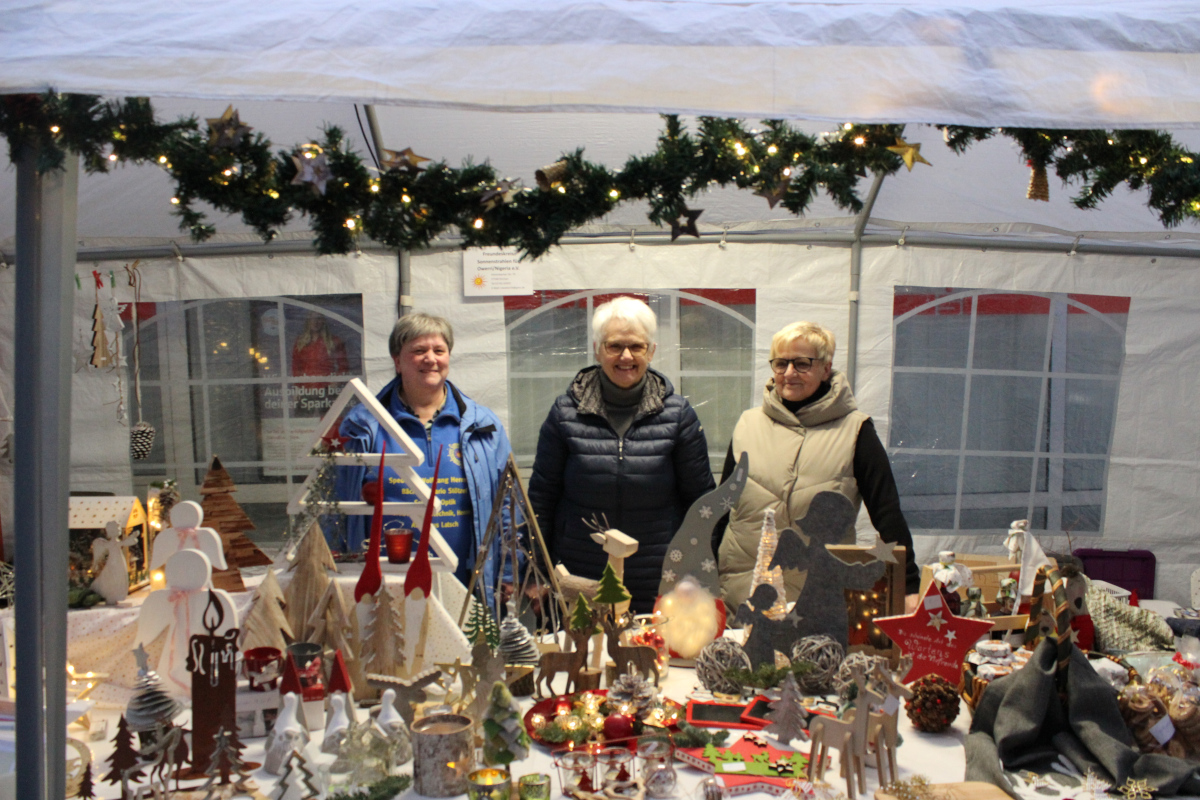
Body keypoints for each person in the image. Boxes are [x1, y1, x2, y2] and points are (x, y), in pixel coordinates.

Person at [715, 320, 920, 612]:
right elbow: (721, 508)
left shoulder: (856, 431)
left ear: (825, 368)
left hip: (818, 601)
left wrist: (908, 584)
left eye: (801, 364)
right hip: (742, 596)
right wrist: (704, 573)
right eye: (780, 363)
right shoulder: (748, 425)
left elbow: (887, 512)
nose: (788, 373)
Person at [529, 296, 715, 614]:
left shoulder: (678, 415)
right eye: (614, 346)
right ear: (597, 349)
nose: (626, 356)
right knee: (583, 662)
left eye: (637, 347)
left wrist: (698, 573)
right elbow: (540, 501)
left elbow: (701, 505)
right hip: (579, 578)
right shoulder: (564, 413)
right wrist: (537, 573)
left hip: (660, 581)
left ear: (651, 351)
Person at [335, 313, 512, 591]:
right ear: (397, 361)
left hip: (467, 583)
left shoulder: (484, 426)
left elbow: (507, 503)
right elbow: (334, 502)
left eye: (439, 350)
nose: (431, 358)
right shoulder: (362, 427)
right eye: (419, 351)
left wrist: (509, 572)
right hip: (385, 582)